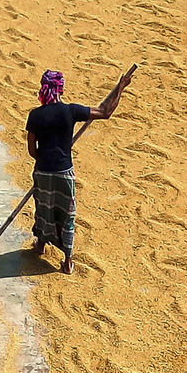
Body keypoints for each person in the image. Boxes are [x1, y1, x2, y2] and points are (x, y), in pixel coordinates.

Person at [26, 69, 132, 275]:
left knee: (44, 209)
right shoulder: (70, 111)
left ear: (43, 89)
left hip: (43, 172)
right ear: (61, 89)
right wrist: (121, 86)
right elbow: (105, 112)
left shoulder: (35, 115)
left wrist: (46, 161)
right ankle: (67, 262)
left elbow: (32, 150)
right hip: (64, 172)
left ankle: (40, 244)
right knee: (66, 215)